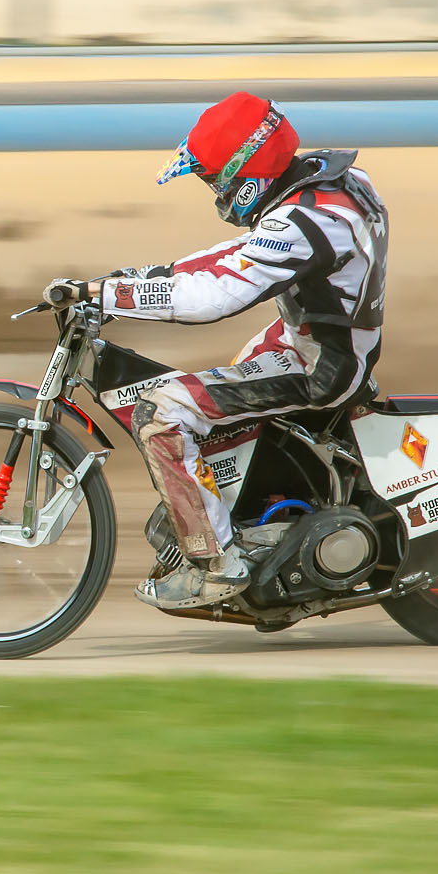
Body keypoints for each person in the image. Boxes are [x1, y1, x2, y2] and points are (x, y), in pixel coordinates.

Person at [52, 91, 390, 611]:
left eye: (214, 177)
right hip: (312, 342)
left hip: (321, 366)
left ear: (247, 168)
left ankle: (216, 564)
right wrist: (124, 282)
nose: (214, 190)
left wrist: (114, 296)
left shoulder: (308, 222)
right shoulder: (326, 187)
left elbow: (215, 297)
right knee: (215, 407)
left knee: (161, 412)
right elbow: (231, 255)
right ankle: (250, 515)